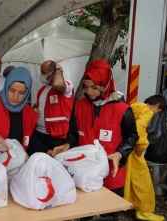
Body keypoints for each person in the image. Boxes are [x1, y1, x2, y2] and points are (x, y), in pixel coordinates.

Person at [55, 60, 139, 221]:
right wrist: (68, 144)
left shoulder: (122, 109)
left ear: (106, 84)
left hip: (111, 172)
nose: (89, 92)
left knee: (109, 213)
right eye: (86, 87)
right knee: (84, 212)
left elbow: (132, 137)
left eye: (94, 87)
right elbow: (73, 131)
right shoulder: (80, 105)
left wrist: (120, 154)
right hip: (83, 171)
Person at [124, 95, 167, 221]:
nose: (155, 114)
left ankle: (129, 203)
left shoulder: (133, 107)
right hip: (134, 150)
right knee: (143, 181)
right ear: (156, 106)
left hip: (125, 149)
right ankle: (144, 211)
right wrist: (142, 146)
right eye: (157, 112)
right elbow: (138, 128)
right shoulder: (147, 111)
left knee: (129, 179)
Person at [27, 60, 74, 157]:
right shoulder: (41, 90)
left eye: (43, 72)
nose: (41, 75)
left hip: (56, 136)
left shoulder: (67, 86)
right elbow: (36, 106)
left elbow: (57, 84)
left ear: (53, 73)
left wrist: (58, 69)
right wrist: (34, 110)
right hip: (39, 134)